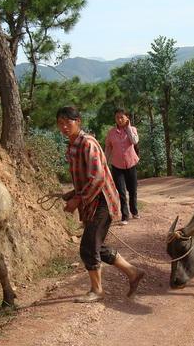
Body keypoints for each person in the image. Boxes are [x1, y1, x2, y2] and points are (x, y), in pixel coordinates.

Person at [57, 106, 145, 302]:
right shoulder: (71, 146)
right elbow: (86, 178)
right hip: (91, 201)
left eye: (67, 122)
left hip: (102, 200)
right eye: (60, 123)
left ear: (78, 121)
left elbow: (97, 177)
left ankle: (97, 291)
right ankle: (133, 272)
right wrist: (72, 193)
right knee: (96, 245)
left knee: (88, 247)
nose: (64, 126)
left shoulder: (87, 143)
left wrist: (77, 199)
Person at [104, 108, 140, 225]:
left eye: (122, 117)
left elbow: (134, 141)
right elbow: (108, 148)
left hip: (131, 164)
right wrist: (105, 163)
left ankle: (134, 211)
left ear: (127, 118)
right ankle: (125, 216)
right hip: (117, 166)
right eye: (117, 117)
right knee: (121, 192)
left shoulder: (133, 129)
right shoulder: (111, 133)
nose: (119, 120)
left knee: (133, 190)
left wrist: (128, 127)